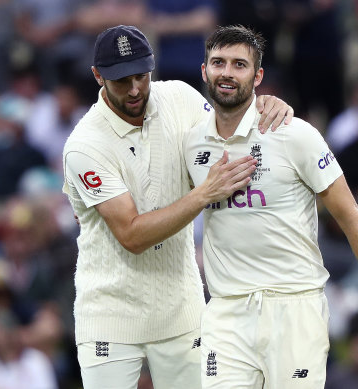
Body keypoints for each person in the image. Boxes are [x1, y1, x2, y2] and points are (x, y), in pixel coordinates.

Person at [62, 25, 293, 389]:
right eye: (121, 80)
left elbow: (226, 138)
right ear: (97, 76)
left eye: (141, 75)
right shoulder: (85, 145)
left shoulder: (180, 98)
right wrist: (202, 195)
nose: (135, 89)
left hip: (181, 308)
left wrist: (262, 106)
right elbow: (132, 235)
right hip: (109, 314)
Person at [183, 25, 358, 388]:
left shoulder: (295, 134)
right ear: (204, 71)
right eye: (218, 63)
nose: (227, 72)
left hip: (294, 306)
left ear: (258, 76)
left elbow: (351, 217)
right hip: (226, 311)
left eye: (239, 65)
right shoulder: (190, 141)